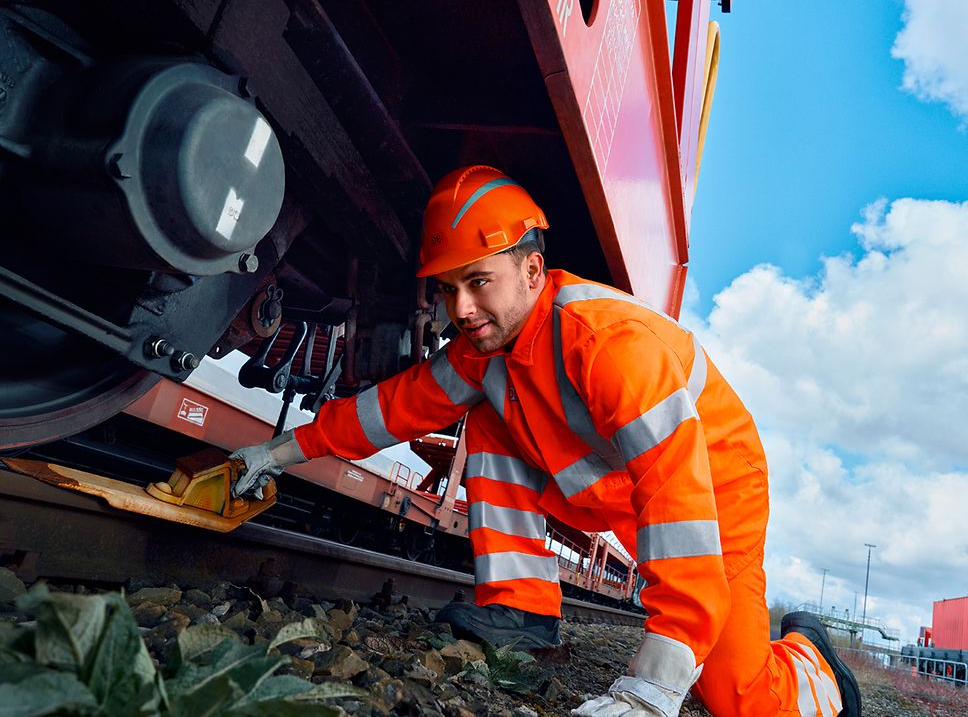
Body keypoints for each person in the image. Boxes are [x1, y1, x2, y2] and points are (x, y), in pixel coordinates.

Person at [231, 165, 861, 716]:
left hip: (714, 494)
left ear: (532, 270)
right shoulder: (490, 348)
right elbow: (392, 410)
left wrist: (655, 684)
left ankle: (814, 659)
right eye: (448, 289)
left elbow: (679, 501)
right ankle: (521, 611)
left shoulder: (612, 348)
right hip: (625, 492)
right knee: (486, 415)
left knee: (739, 700)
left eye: (478, 281)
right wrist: (277, 453)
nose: (461, 308)